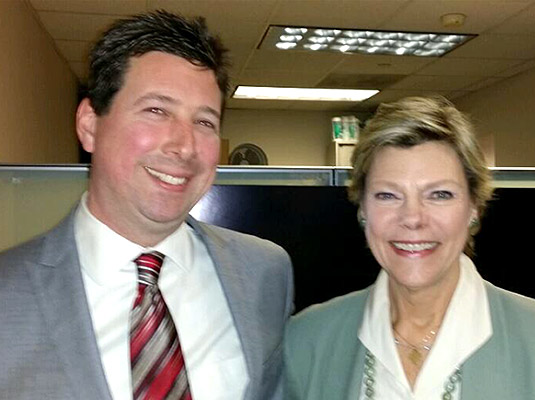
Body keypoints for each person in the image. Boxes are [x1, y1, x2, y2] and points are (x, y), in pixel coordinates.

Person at [0, 11, 293, 400]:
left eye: (205, 122)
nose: (184, 146)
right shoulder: (8, 295)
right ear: (89, 124)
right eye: (157, 111)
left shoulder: (264, 273)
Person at [283, 96, 535, 399]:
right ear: (362, 208)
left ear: (474, 208)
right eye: (388, 195)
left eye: (439, 194)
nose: (412, 219)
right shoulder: (304, 341)